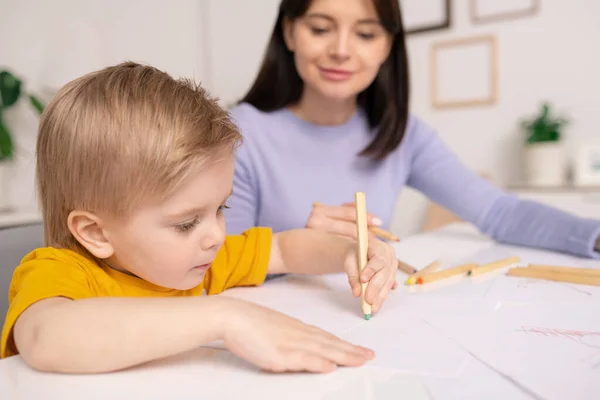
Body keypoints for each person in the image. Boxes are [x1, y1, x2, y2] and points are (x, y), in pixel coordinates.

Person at [0, 62, 400, 374]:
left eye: (221, 208)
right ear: (95, 232)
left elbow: (282, 247)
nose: (215, 235)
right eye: (185, 223)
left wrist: (350, 252)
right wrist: (224, 317)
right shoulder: (59, 273)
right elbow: (46, 338)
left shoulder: (196, 260)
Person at [225, 0, 600, 258]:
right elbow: (214, 268)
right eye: (321, 28)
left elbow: (500, 212)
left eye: (366, 34)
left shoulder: (400, 134)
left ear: (388, 45)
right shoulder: (239, 135)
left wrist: (593, 236)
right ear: (290, 33)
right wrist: (299, 249)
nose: (341, 50)